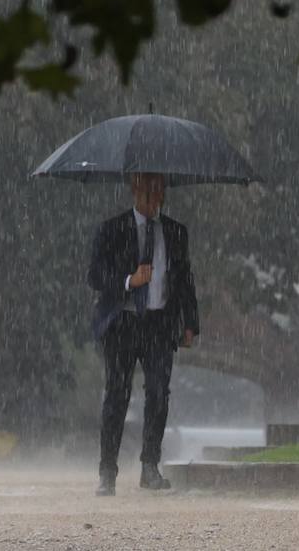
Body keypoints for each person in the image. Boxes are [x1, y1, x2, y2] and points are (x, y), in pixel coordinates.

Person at [87, 172, 198, 496]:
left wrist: (189, 323)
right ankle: (108, 471)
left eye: (160, 191)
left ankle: (150, 465)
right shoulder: (112, 229)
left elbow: (184, 280)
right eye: (149, 191)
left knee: (159, 393)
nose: (155, 198)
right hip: (123, 322)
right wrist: (128, 281)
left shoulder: (176, 232)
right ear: (135, 189)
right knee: (116, 395)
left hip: (160, 324)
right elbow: (94, 275)